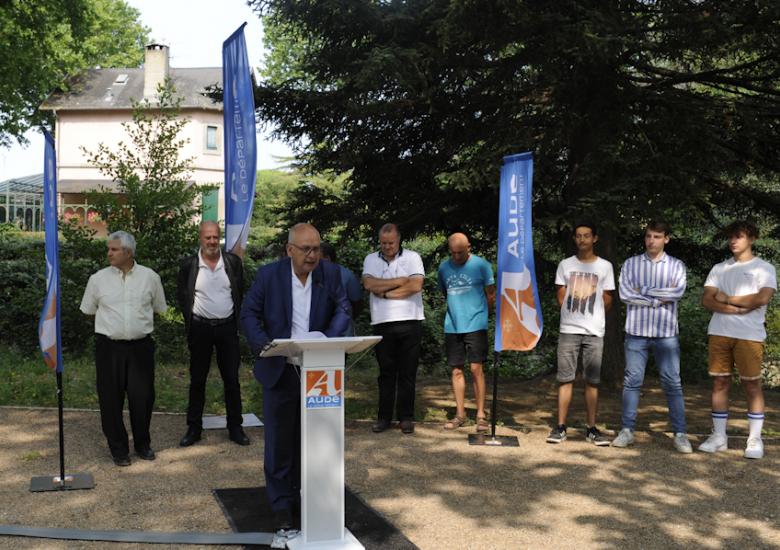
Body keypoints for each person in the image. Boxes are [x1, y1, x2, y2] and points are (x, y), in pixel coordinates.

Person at [241, 223, 350, 531]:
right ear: (290, 250)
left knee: (314, 439)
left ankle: (309, 498)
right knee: (279, 441)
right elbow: (249, 314)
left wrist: (326, 341)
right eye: (306, 249)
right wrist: (265, 345)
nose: (313, 255)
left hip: (319, 370)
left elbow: (343, 310)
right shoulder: (269, 276)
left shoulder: (330, 274)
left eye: (316, 248)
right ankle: (281, 506)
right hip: (280, 369)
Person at [79, 231, 167, 466]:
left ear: (128, 252)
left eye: (114, 249)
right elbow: (88, 310)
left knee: (143, 398)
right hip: (109, 348)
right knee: (110, 400)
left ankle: (142, 444)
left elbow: (159, 307)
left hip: (141, 348)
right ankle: (118, 449)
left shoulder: (150, 277)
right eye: (109, 248)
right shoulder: (97, 279)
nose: (109, 253)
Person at [611, 222, 692, 453]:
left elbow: (677, 292)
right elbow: (626, 294)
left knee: (673, 382)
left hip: (666, 333)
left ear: (666, 239)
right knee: (632, 382)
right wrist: (658, 298)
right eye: (648, 236)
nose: (651, 240)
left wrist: (643, 292)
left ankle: (680, 433)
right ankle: (627, 430)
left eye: (657, 236)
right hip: (636, 332)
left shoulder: (676, 265)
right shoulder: (631, 264)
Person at [699, 220, 776, 459]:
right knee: (720, 383)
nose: (733, 241)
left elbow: (762, 299)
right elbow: (708, 300)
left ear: (751, 239)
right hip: (720, 332)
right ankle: (720, 437)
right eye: (731, 237)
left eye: (739, 236)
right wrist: (736, 308)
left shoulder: (764, 268)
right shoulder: (719, 268)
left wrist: (728, 298)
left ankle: (754, 439)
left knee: (751, 385)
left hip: (749, 335)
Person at [176, 221, 248, 448]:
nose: (212, 241)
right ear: (200, 238)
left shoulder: (232, 263)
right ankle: (194, 428)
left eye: (215, 237)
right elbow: (182, 296)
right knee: (197, 379)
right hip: (200, 329)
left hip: (227, 328)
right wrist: (191, 321)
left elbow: (240, 291)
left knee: (232, 380)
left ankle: (235, 427)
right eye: (208, 237)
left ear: (220, 238)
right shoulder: (189, 265)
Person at [547, 222, 614, 446]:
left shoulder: (605, 267)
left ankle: (592, 428)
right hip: (569, 330)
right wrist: (571, 314)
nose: (582, 239)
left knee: (592, 381)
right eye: (578, 236)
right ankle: (560, 427)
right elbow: (560, 294)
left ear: (595, 238)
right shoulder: (565, 265)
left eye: (586, 235)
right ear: (574, 239)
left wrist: (593, 316)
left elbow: (607, 299)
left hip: (594, 331)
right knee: (565, 379)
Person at [362, 223, 425, 435]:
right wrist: (400, 281)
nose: (387, 247)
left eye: (391, 243)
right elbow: (369, 285)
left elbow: (416, 285)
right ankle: (384, 418)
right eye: (383, 243)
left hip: (410, 320)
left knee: (407, 373)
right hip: (382, 323)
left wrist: (387, 292)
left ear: (399, 240)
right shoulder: (371, 259)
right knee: (386, 373)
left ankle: (406, 418)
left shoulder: (413, 257)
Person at [437, 232, 495, 432]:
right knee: (456, 369)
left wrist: (480, 315)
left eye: (460, 253)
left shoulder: (481, 265)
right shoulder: (444, 267)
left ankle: (480, 414)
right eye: (453, 253)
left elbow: (491, 294)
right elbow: (445, 292)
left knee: (476, 368)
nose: (456, 257)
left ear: (469, 247)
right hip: (452, 324)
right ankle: (460, 414)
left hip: (476, 323)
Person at [320, 241, 363, 336]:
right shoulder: (311, 274)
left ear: (327, 258)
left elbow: (357, 303)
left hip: (342, 334)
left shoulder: (346, 275)